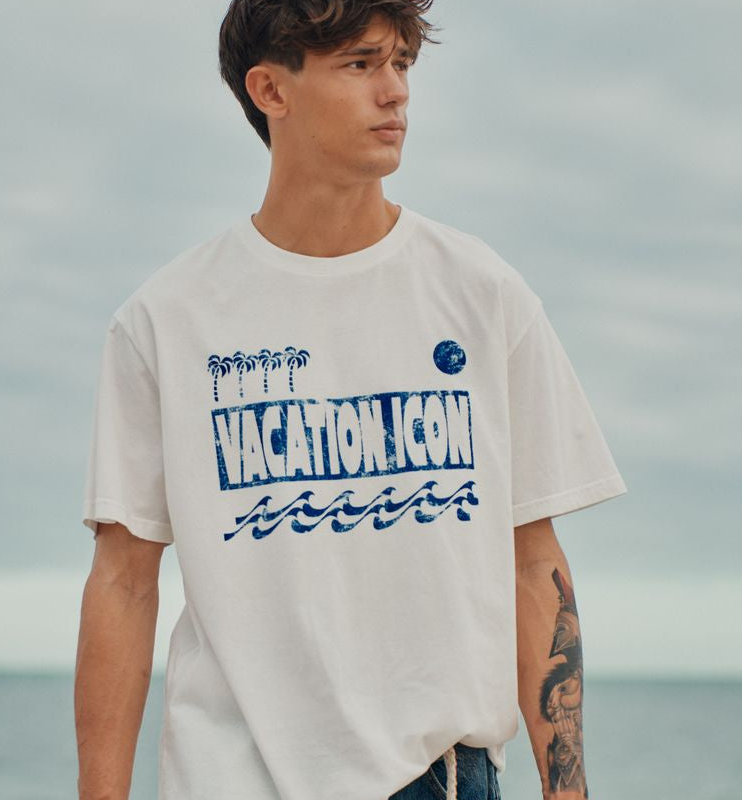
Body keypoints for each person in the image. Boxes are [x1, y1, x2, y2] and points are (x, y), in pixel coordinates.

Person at [74, 2, 628, 799]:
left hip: (441, 777)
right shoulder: (166, 322)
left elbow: (532, 560)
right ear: (271, 89)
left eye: (401, 63)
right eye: (361, 65)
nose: (396, 92)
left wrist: (568, 791)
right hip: (231, 779)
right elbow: (123, 583)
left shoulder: (483, 295)